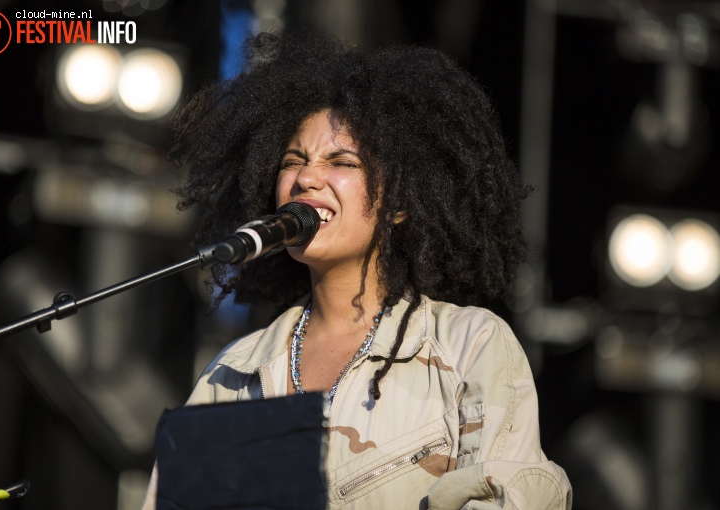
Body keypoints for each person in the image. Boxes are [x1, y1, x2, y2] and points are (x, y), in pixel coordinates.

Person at [142, 30, 572, 509]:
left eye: (341, 161)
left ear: (401, 202)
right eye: (292, 161)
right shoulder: (233, 375)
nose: (306, 178)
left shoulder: (469, 346)